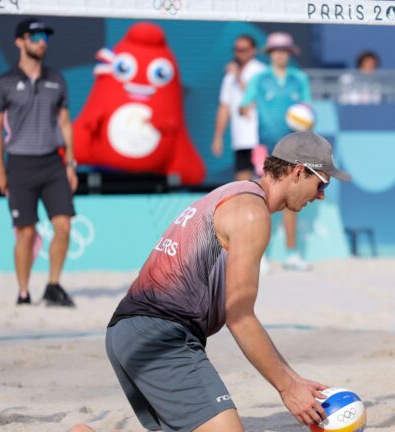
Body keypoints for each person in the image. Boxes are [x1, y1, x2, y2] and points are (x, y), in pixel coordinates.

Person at [105, 131, 351, 432]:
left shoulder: (235, 192)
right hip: (160, 336)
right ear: (298, 172)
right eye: (321, 183)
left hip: (130, 332)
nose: (321, 194)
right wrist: (288, 388)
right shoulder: (251, 213)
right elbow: (240, 317)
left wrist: (294, 378)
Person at [0, 17, 78, 307]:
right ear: (20, 41)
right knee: (26, 233)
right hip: (20, 164)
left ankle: (53, 285)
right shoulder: (3, 83)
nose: (42, 41)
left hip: (53, 163)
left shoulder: (57, 79)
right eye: (35, 36)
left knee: (63, 226)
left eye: (45, 37)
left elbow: (65, 123)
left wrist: (71, 163)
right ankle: (24, 293)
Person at [240, 32, 313, 271]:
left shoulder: (299, 78)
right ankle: (261, 257)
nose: (280, 54)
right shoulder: (259, 79)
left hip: (293, 147)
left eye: (284, 50)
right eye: (276, 50)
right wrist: (244, 109)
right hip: (265, 148)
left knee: (292, 200)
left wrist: (305, 119)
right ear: (270, 54)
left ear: (290, 53)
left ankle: (292, 254)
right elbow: (244, 104)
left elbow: (307, 110)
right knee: (265, 201)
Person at [211, 34, 266, 181]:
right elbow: (224, 106)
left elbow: (257, 98)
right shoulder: (230, 76)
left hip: (259, 137)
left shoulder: (260, 71)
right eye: (236, 49)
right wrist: (218, 137)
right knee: (242, 183)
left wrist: (238, 77)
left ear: (253, 50)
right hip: (240, 138)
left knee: (265, 182)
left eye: (243, 49)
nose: (239, 53)